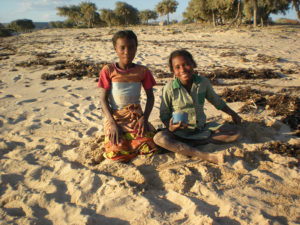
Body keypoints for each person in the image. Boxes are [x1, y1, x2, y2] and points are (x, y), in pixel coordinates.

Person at [153, 49, 242, 164]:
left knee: (237, 132)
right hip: (178, 133)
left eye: (186, 64)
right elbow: (164, 114)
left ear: (193, 64)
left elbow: (217, 101)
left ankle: (188, 146)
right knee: (159, 138)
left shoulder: (203, 83)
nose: (183, 69)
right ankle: (205, 155)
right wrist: (170, 128)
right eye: (178, 67)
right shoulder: (169, 88)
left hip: (201, 130)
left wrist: (233, 114)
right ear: (173, 71)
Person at [98, 30, 157, 162]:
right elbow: (103, 99)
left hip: (136, 116)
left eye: (131, 47)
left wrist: (144, 119)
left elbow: (150, 97)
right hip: (115, 117)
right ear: (115, 49)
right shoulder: (108, 70)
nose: (127, 51)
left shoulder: (143, 71)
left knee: (149, 146)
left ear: (136, 48)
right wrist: (112, 123)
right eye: (122, 47)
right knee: (116, 153)